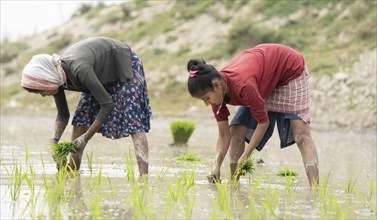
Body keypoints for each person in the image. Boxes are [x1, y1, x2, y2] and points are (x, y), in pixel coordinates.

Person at [186, 44, 319, 186]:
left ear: (217, 85)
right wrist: (216, 165)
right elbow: (224, 135)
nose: (207, 104)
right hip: (262, 78)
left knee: (301, 135)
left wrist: (245, 156)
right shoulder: (217, 94)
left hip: (289, 70)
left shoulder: (243, 85)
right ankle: (234, 186)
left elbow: (263, 122)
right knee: (236, 130)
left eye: (206, 99)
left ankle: (315, 190)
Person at [21, 37, 152, 176]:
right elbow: (63, 114)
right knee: (81, 119)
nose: (42, 95)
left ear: (48, 78)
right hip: (98, 73)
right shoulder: (58, 77)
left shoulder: (79, 69)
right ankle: (72, 172)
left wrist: (86, 137)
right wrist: (54, 140)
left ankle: (144, 177)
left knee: (133, 120)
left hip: (122, 64)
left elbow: (107, 105)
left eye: (41, 90)